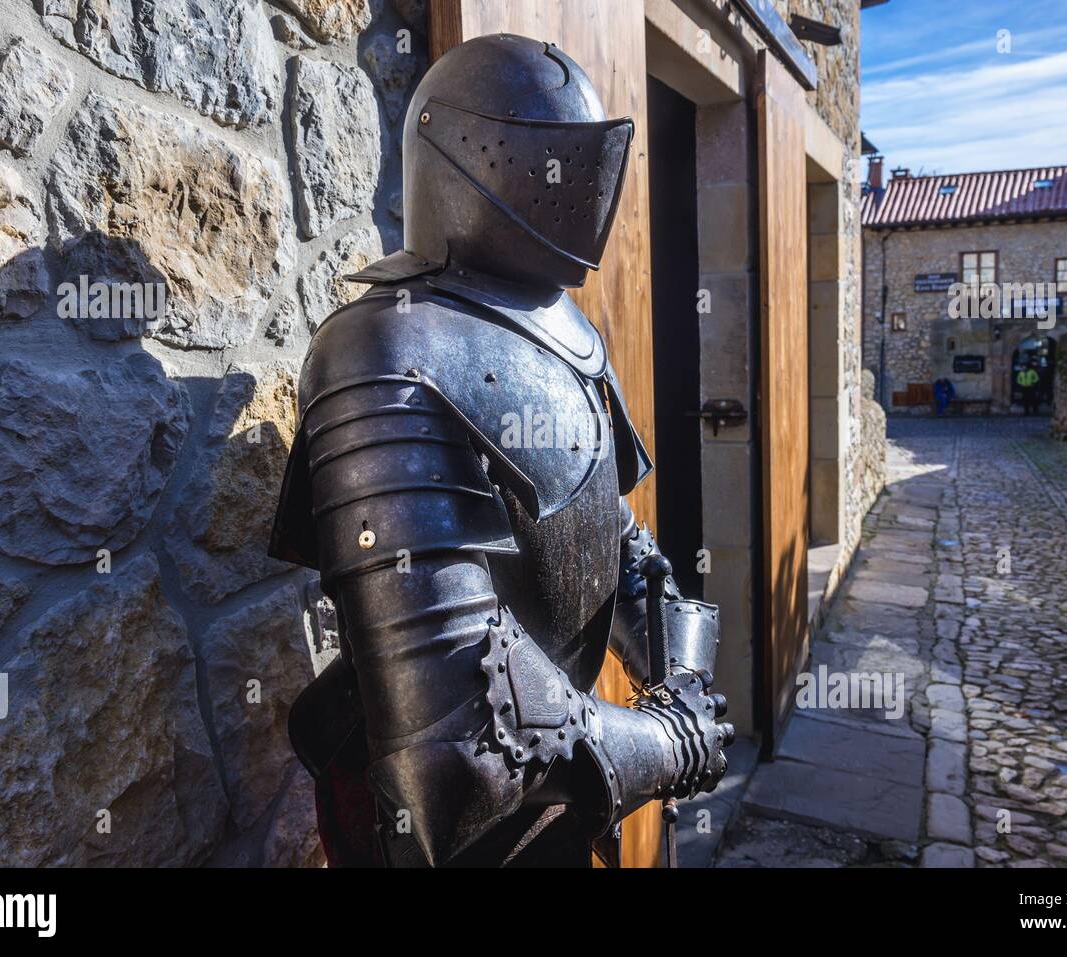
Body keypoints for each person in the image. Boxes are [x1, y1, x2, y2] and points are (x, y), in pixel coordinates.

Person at [268, 34, 732, 868]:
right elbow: (457, 731)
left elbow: (609, 539)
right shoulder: (382, 352)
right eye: (545, 157)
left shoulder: (568, 338)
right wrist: (669, 743)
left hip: (558, 803)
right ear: (459, 149)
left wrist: (683, 678)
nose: (573, 184)